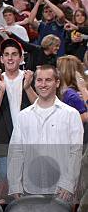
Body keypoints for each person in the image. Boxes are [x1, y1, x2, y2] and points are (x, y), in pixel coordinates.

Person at [7, 65, 83, 201]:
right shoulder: (23, 116)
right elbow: (16, 152)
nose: (43, 84)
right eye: (39, 80)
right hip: (29, 189)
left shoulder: (72, 115)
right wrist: (14, 185)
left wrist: (68, 184)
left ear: (57, 83)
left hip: (61, 191)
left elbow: (75, 152)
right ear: (34, 83)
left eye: (48, 80)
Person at [0, 39, 36, 187]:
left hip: (30, 143)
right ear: (1, 59)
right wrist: (0, 91)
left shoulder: (30, 78)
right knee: (8, 189)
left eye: (14, 54)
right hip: (4, 146)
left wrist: (28, 88)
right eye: (6, 54)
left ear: (21, 58)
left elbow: (42, 108)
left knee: (31, 187)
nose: (10, 58)